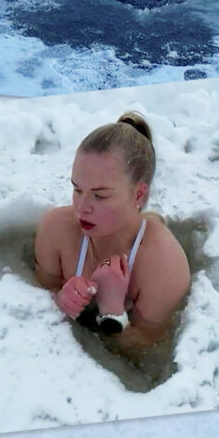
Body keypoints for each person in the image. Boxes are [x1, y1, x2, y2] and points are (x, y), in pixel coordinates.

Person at [34, 111, 190, 362]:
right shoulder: (56, 230)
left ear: (139, 195)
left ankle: (152, 220)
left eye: (100, 195)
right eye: (77, 189)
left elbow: (151, 354)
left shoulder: (163, 265)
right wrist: (59, 298)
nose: (81, 207)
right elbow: (33, 297)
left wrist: (113, 312)